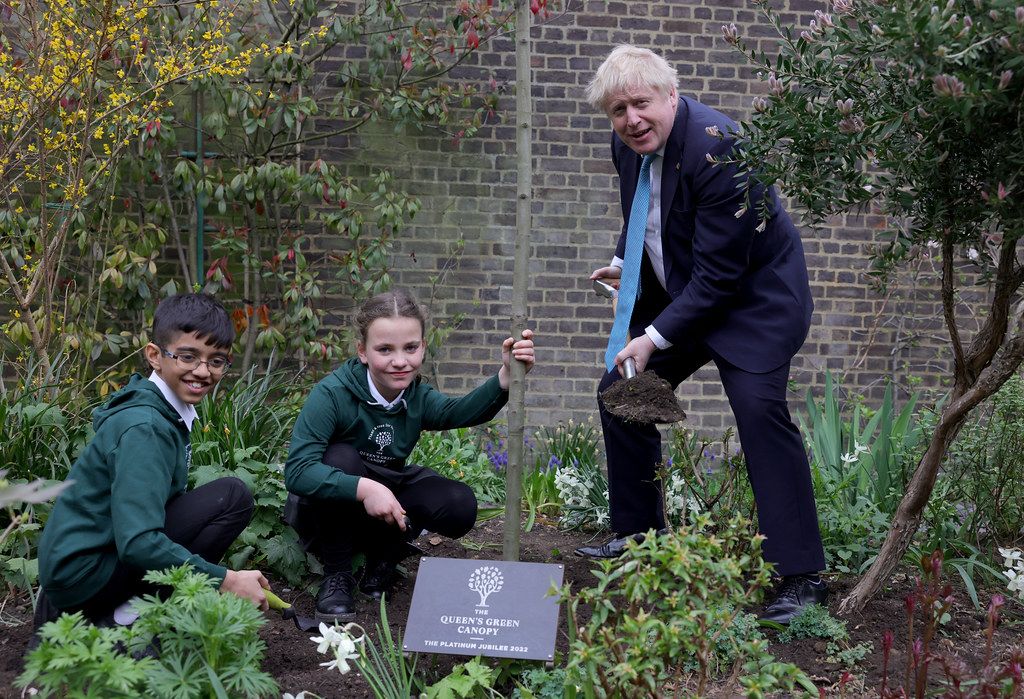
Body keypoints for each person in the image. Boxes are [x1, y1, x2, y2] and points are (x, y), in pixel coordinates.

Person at [575, 45, 827, 624]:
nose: (631, 120)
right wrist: (624, 260)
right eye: (617, 110)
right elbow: (645, 214)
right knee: (622, 393)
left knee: (759, 412)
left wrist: (654, 336)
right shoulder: (628, 145)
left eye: (640, 104)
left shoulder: (721, 146)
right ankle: (640, 540)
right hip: (690, 291)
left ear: (671, 95)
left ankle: (801, 578)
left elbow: (722, 277)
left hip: (753, 301)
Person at [284, 288, 536, 622]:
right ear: (362, 351)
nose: (400, 361)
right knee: (340, 459)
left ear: (422, 347)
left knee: (458, 503)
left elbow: (457, 412)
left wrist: (505, 377)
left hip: (386, 502)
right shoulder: (332, 394)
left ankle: (384, 557)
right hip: (329, 514)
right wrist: (366, 488)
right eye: (385, 349)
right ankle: (337, 575)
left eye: (410, 348)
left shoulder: (415, 396)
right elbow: (298, 472)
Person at [36, 293, 270, 633]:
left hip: (85, 561)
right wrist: (226, 579)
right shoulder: (145, 428)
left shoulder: (162, 410)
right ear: (155, 356)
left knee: (229, 497)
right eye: (188, 356)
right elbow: (138, 542)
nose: (203, 371)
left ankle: (113, 606)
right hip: (83, 575)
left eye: (216, 361)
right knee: (231, 499)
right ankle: (120, 621)